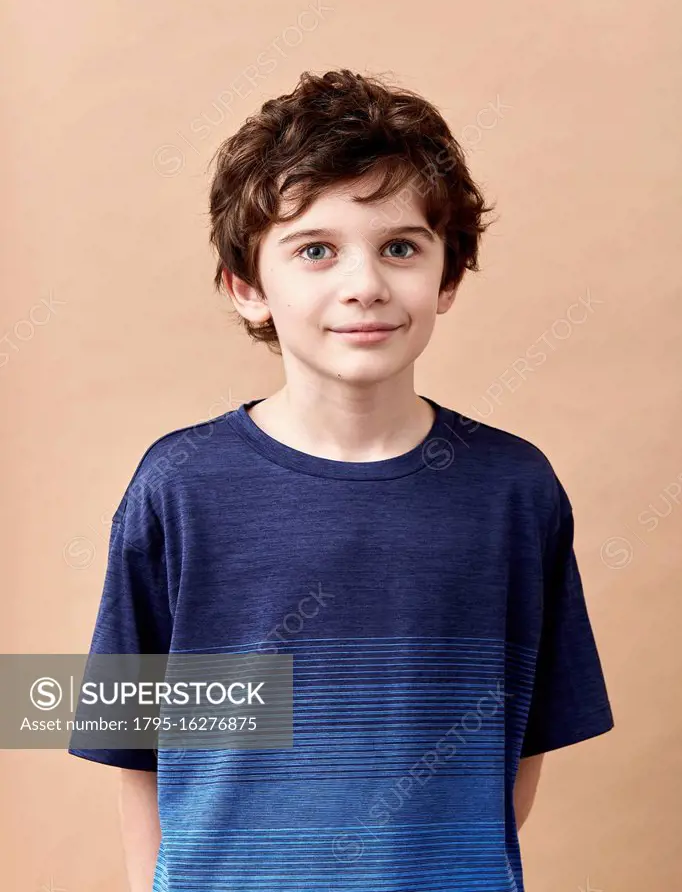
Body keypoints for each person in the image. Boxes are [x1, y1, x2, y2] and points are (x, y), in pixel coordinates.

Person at [68, 68, 614, 892]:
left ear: (449, 278)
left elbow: (520, 747)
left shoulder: (514, 491)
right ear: (248, 287)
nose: (364, 284)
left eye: (400, 247)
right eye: (315, 250)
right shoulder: (180, 487)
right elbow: (136, 750)